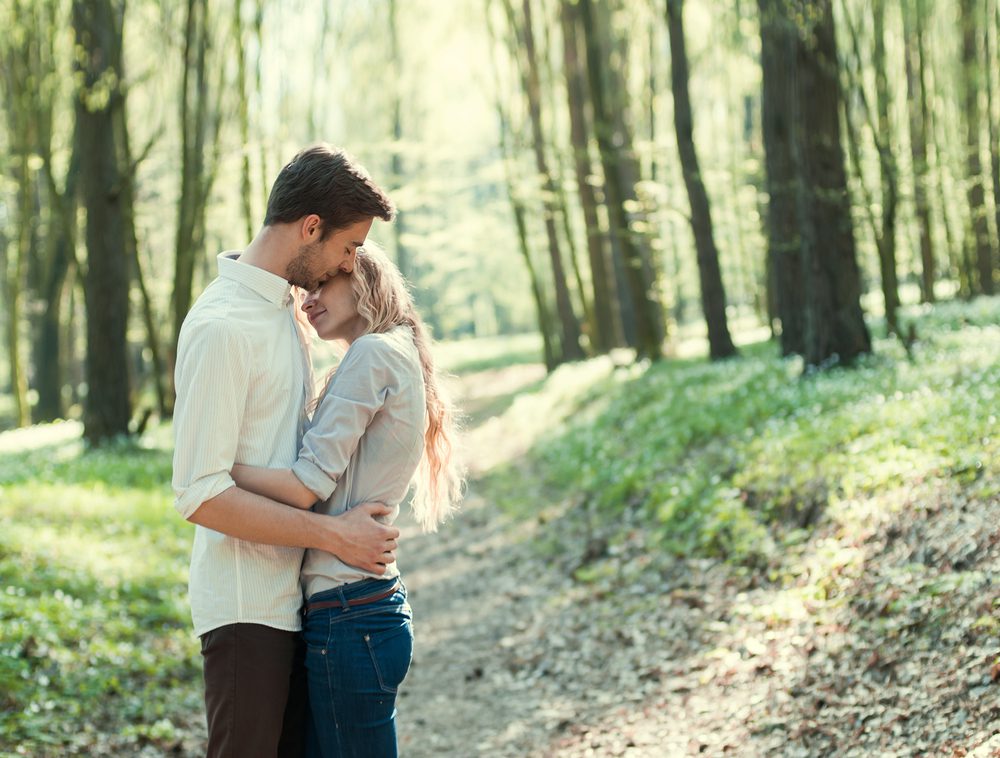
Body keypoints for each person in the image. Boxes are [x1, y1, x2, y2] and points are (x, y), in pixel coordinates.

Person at [172, 145, 399, 758]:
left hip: (293, 601)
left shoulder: (280, 312)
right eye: (349, 246)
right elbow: (199, 492)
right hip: (246, 610)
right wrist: (334, 537)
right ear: (310, 227)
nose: (350, 262)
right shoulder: (223, 327)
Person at [230, 242, 463, 758]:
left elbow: (303, 485)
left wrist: (220, 469)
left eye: (321, 284)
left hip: (349, 613)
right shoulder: (394, 349)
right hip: (360, 610)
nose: (308, 300)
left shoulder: (374, 353)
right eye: (303, 290)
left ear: (362, 279)